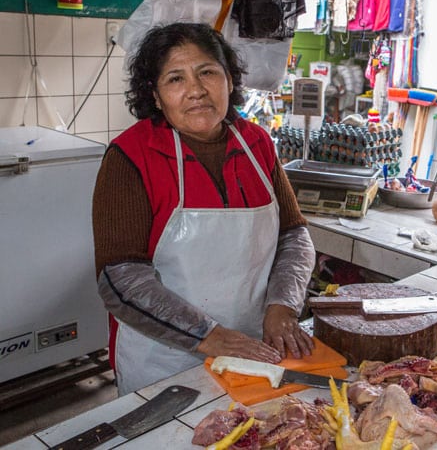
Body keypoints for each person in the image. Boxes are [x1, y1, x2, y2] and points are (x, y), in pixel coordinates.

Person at [92, 22, 315, 395]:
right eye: (175, 79)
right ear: (156, 95)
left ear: (229, 80)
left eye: (207, 72)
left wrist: (283, 306)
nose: (196, 90)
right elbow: (120, 278)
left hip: (254, 349)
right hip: (162, 361)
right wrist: (207, 335)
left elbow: (294, 236)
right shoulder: (130, 156)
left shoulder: (256, 143)